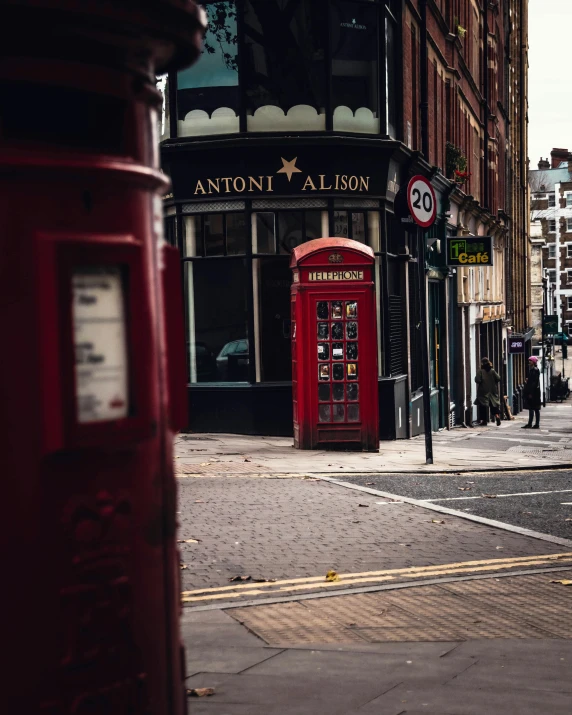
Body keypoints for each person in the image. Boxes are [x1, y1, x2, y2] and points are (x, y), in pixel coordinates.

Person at [474, 357, 501, 426]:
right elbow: (498, 378)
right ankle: (497, 416)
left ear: (482, 363)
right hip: (492, 390)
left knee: (483, 406)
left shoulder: (480, 371)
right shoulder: (492, 371)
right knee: (493, 405)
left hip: (483, 391)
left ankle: (484, 421)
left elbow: (477, 380)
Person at [522, 355, 542, 429]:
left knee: (534, 408)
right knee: (533, 408)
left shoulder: (535, 370)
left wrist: (531, 393)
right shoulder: (532, 370)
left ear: (533, 362)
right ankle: (532, 423)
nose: (529, 362)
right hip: (534, 392)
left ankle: (535, 424)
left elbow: (534, 382)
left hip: (534, 393)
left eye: (530, 361)